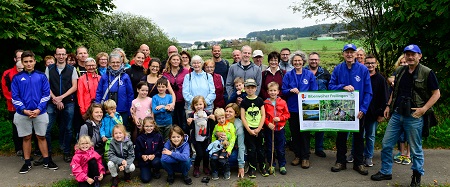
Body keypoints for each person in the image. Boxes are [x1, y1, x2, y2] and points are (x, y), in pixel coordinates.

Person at [371, 44, 440, 187]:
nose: (410, 57)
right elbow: (394, 90)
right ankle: (385, 171)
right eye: (407, 54)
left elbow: (436, 93)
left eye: (413, 54)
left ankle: (417, 175)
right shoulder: (401, 70)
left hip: (414, 115)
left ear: (419, 56)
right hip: (397, 114)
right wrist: (388, 106)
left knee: (415, 148)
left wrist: (424, 109)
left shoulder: (427, 72)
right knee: (386, 143)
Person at [329, 44, 372, 175]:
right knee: (341, 137)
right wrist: (343, 86)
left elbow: (368, 92)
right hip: (342, 111)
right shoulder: (338, 69)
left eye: (351, 52)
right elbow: (330, 86)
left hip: (358, 111)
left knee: (359, 138)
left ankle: (358, 163)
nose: (349, 54)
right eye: (347, 52)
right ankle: (340, 161)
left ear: (355, 54)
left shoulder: (363, 70)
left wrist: (363, 109)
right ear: (343, 54)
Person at [12, 50, 58, 174]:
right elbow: (15, 97)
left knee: (41, 136)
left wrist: (38, 109)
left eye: (30, 61)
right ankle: (27, 163)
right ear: (22, 62)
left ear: (34, 62)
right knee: (26, 137)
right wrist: (24, 110)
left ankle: (47, 161)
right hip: (23, 113)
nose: (28, 64)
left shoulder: (41, 76)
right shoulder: (16, 78)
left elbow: (46, 94)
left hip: (40, 112)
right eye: (25, 62)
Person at [281, 51, 318, 169]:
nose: (297, 62)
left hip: (307, 110)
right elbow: (283, 91)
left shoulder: (309, 74)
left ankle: (305, 157)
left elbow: (314, 91)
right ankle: (297, 156)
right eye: (295, 61)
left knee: (305, 134)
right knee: (295, 133)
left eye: (299, 60)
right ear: (292, 62)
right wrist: (290, 90)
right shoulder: (288, 75)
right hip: (293, 109)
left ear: (303, 61)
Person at [45, 47, 78, 163]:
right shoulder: (49, 69)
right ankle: (47, 153)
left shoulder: (71, 69)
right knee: (46, 129)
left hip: (68, 101)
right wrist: (55, 99)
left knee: (69, 128)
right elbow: (46, 86)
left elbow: (74, 86)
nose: (61, 56)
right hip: (51, 102)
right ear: (55, 55)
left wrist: (61, 98)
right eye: (59, 54)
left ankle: (66, 152)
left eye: (63, 54)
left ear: (66, 55)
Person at [361, 55, 389, 167]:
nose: (370, 65)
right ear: (364, 64)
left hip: (374, 113)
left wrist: (381, 114)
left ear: (376, 64)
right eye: (368, 63)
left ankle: (368, 156)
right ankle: (356, 154)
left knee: (370, 136)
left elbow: (385, 98)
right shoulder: (361, 77)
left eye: (372, 63)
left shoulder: (381, 79)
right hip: (361, 112)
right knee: (358, 135)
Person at [95, 51, 134, 129]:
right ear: (109, 63)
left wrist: (130, 109)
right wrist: (97, 107)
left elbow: (130, 94)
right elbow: (99, 92)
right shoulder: (104, 77)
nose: (115, 64)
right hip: (107, 109)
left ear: (121, 63)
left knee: (122, 131)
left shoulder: (125, 76)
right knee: (107, 130)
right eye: (113, 62)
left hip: (122, 109)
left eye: (117, 62)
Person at [305, 52, 331, 158]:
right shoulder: (303, 71)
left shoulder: (325, 72)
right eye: (311, 59)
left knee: (320, 127)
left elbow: (330, 86)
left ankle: (318, 148)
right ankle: (306, 149)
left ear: (319, 61)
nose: (314, 61)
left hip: (322, 103)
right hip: (307, 104)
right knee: (306, 127)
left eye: (315, 59)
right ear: (308, 60)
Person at [240, 78, 268, 178]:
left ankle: (262, 166)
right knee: (251, 150)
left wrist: (259, 128)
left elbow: (263, 115)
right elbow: (243, 117)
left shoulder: (259, 100)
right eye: (248, 88)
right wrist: (249, 130)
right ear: (245, 89)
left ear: (256, 88)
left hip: (259, 129)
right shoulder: (244, 102)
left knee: (260, 149)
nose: (250, 90)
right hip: (249, 129)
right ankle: (252, 167)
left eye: (252, 87)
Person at [389, 55, 412, 165]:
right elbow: (390, 79)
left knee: (410, 134)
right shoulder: (398, 73)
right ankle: (401, 153)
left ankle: (408, 154)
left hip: (411, 109)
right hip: (398, 108)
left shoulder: (414, 73)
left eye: (405, 62)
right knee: (401, 135)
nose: (403, 64)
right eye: (401, 62)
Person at [264, 82, 290, 175]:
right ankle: (272, 164)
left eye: (274, 90)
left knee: (280, 148)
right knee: (270, 148)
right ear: (268, 92)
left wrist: (280, 118)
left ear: (278, 91)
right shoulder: (265, 103)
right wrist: (268, 123)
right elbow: (264, 117)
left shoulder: (282, 102)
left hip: (280, 129)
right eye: (271, 90)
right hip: (270, 129)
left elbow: (287, 114)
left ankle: (282, 165)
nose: (273, 92)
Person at [1, 49, 24, 157]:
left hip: (29, 107)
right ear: (15, 59)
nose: (21, 59)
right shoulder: (8, 73)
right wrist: (19, 102)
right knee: (17, 128)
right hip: (14, 107)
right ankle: (18, 148)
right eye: (19, 57)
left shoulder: (28, 72)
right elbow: (6, 91)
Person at [186, 96, 215, 178]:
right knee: (199, 154)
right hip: (196, 139)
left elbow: (212, 127)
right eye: (196, 105)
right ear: (193, 106)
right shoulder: (191, 115)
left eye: (200, 104)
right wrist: (188, 123)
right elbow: (188, 128)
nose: (198, 106)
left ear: (204, 104)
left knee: (206, 154)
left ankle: (206, 167)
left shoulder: (208, 114)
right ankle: (196, 167)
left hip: (206, 138)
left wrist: (213, 119)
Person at [163, 53, 189, 134]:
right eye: (173, 59)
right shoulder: (165, 72)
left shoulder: (185, 71)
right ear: (170, 61)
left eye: (177, 60)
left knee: (183, 123)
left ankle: (184, 139)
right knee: (172, 122)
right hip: (170, 101)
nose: (175, 61)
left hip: (182, 100)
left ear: (180, 61)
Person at [134, 117, 164, 183]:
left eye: (151, 126)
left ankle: (156, 170)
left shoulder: (158, 136)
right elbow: (137, 152)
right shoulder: (139, 138)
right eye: (146, 126)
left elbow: (161, 149)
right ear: (143, 126)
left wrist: (154, 155)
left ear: (154, 126)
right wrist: (142, 156)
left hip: (155, 158)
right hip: (144, 161)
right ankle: (147, 170)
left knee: (156, 162)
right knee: (145, 179)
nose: (149, 128)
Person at [210, 108, 236, 180]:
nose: (221, 120)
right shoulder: (216, 126)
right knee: (214, 157)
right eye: (219, 119)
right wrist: (214, 147)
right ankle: (215, 171)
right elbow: (213, 137)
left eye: (222, 118)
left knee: (222, 158)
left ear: (225, 116)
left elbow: (233, 138)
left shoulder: (230, 125)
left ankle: (226, 171)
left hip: (226, 147)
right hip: (217, 147)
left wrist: (229, 149)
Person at [225, 103, 245, 178]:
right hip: (227, 146)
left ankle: (243, 162)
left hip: (237, 147)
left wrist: (241, 166)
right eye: (226, 111)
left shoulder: (238, 125)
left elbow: (241, 146)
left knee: (230, 159)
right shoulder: (223, 121)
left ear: (236, 114)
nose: (227, 113)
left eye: (230, 112)